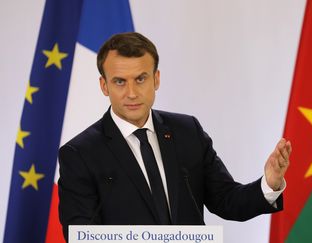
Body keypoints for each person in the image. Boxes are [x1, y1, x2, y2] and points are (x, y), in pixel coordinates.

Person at [58, 32, 292, 240]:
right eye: (120, 82)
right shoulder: (80, 154)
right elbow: (81, 235)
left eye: (141, 79)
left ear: (156, 79)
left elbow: (226, 200)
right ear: (104, 86)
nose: (131, 93)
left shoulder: (187, 131)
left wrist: (269, 184)